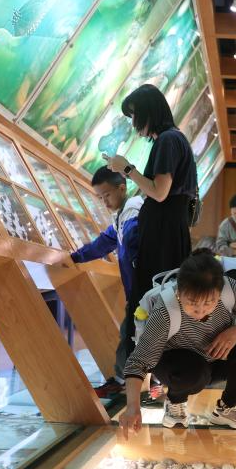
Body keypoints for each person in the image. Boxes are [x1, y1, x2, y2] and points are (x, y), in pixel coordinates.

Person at [117, 250, 236, 436]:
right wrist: (132, 407)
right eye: (193, 302)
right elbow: (138, 362)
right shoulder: (165, 310)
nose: (200, 310)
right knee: (192, 370)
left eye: (209, 302)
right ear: (179, 293)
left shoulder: (231, 289)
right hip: (179, 367)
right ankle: (175, 402)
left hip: (216, 359)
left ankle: (228, 407)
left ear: (219, 292)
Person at [105, 83, 196, 333]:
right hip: (168, 228)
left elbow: (159, 192)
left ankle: (148, 353)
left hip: (163, 232)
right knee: (164, 297)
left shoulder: (168, 140)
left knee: (155, 297)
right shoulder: (173, 139)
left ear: (149, 111)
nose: (134, 122)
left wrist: (127, 169)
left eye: (135, 114)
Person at [69, 166, 143, 397]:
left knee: (130, 335)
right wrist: (75, 257)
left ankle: (122, 382)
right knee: (133, 335)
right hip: (138, 291)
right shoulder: (122, 215)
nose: (104, 202)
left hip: (143, 291)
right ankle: (138, 381)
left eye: (107, 195)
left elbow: (131, 245)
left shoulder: (133, 213)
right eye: (100, 198)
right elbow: (104, 242)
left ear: (122, 188)